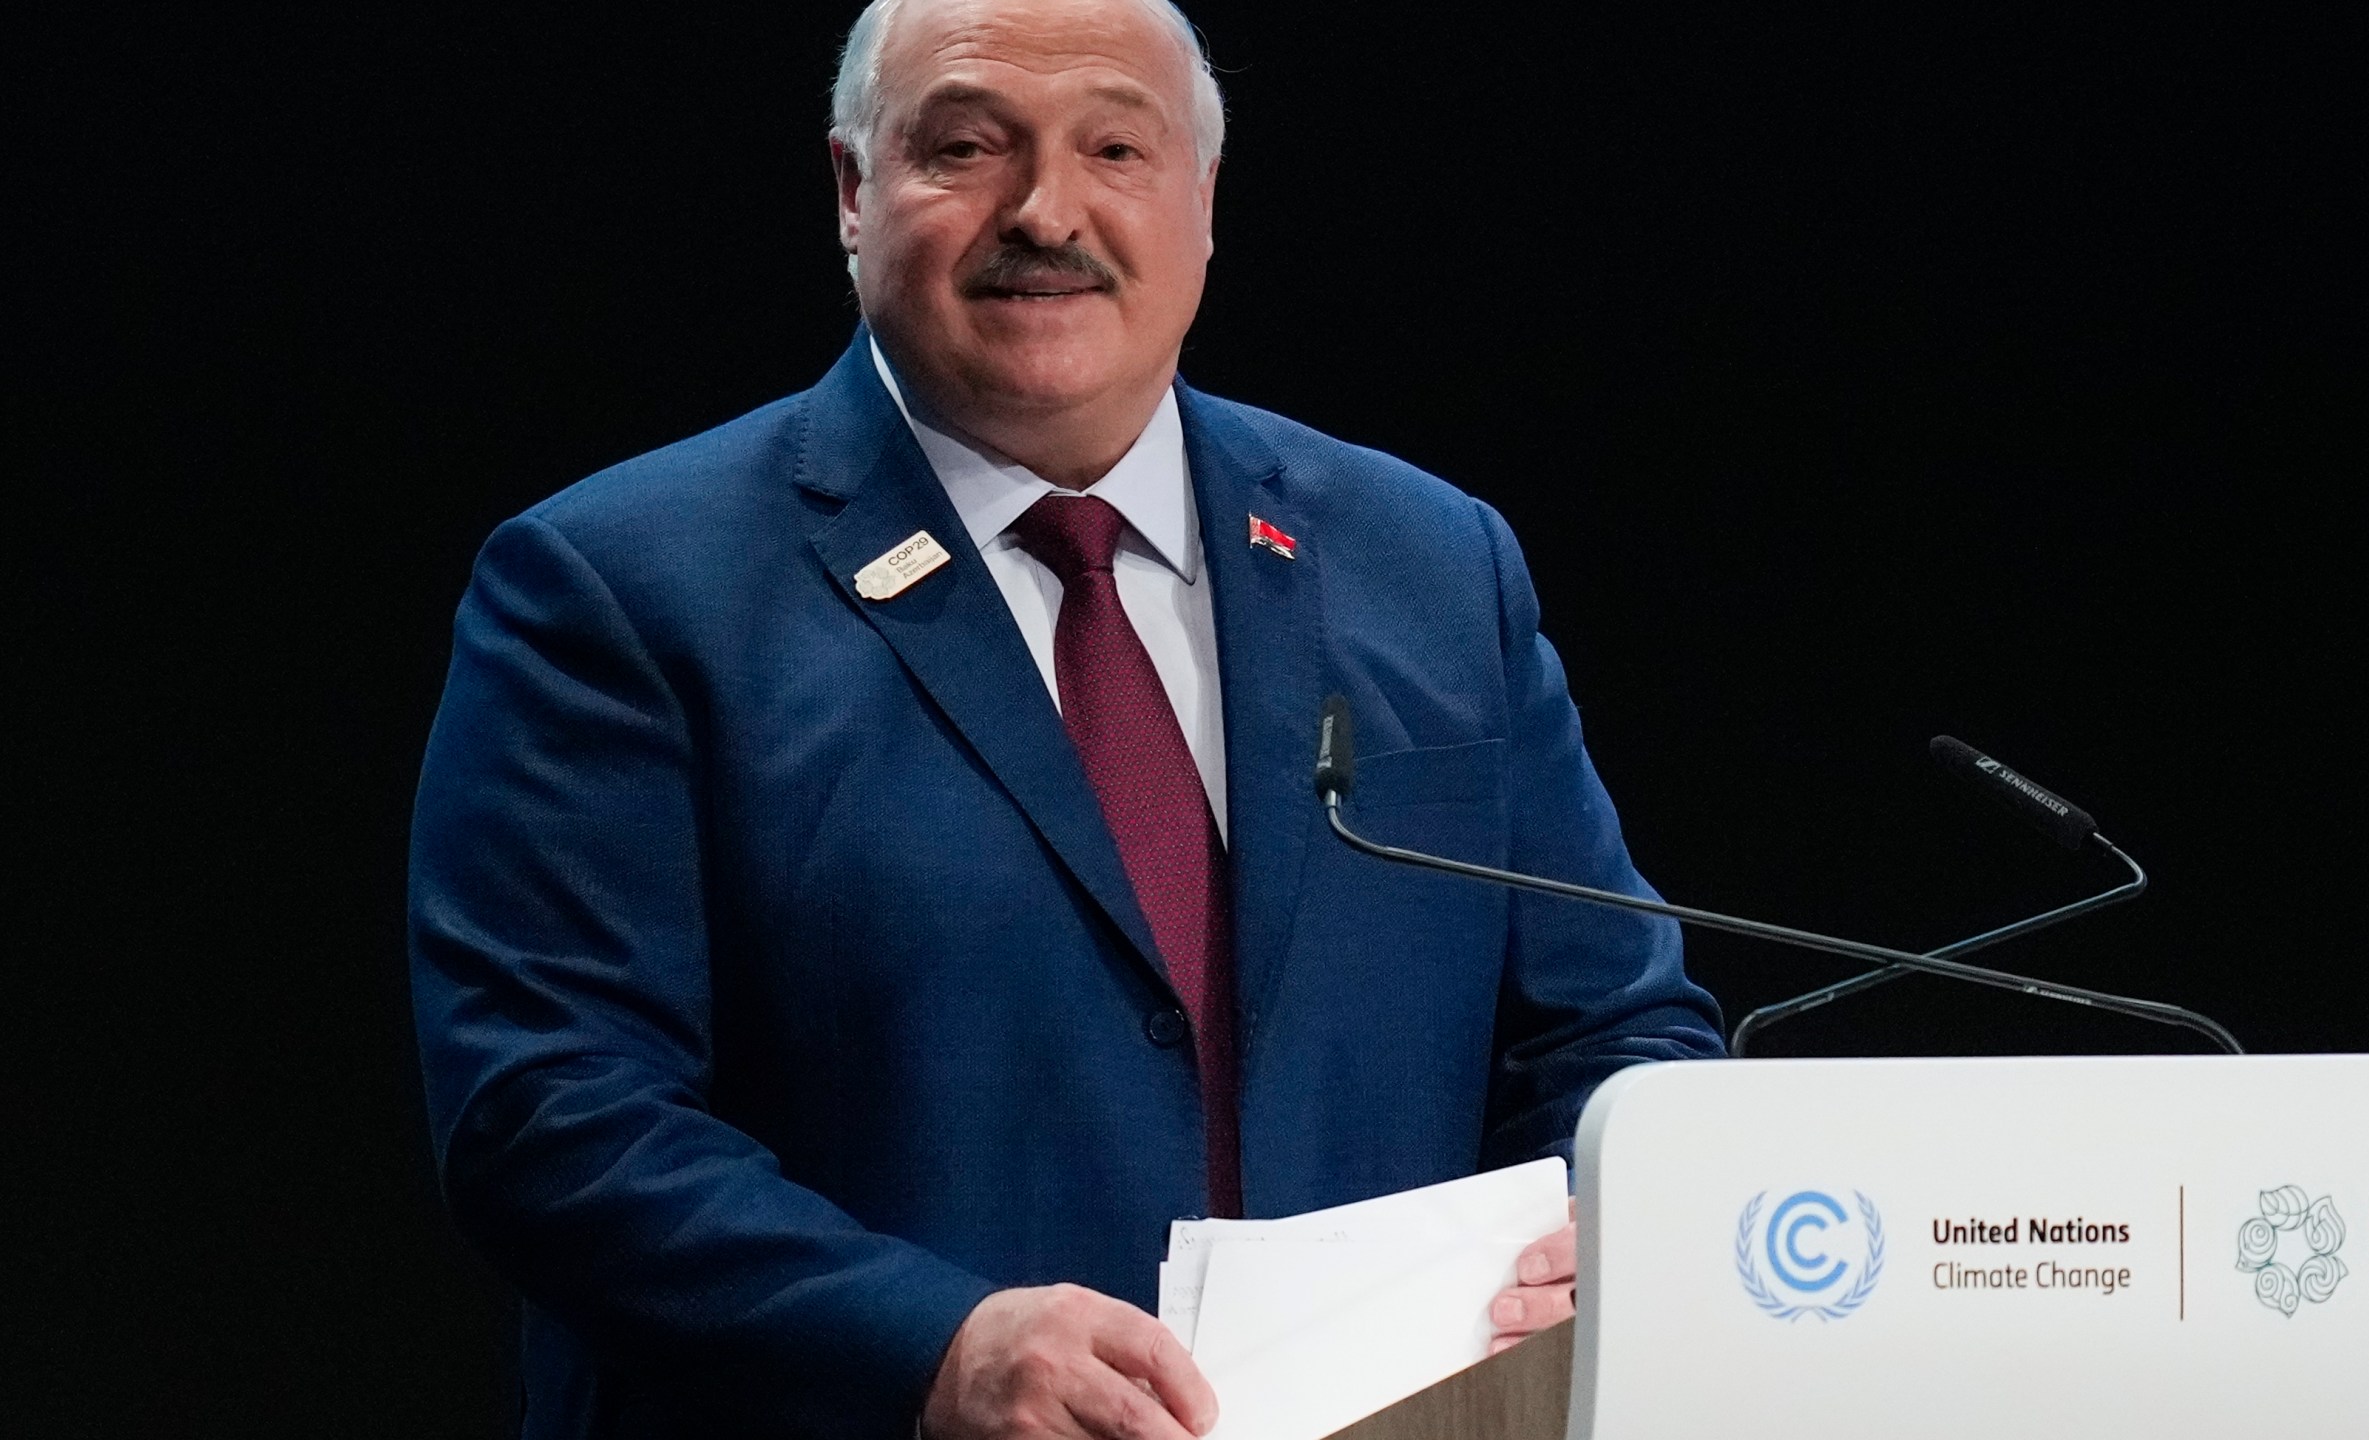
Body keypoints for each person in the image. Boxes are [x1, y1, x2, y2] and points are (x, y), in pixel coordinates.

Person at [406, 0, 1724, 1435]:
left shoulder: (1429, 563)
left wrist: (1617, 1222)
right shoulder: (621, 588)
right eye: (968, 147)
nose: (1047, 210)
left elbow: (1617, 1028)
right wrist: (932, 1347)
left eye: (1115, 146)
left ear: (1203, 203)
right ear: (855, 193)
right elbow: (551, 1119)